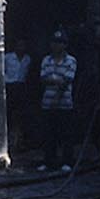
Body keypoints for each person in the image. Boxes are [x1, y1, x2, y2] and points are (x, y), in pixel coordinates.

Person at [36, 30, 79, 172]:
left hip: (65, 103)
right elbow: (43, 78)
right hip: (47, 103)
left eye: (60, 43)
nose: (56, 45)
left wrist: (54, 84)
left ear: (65, 45)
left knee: (66, 133)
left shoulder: (71, 60)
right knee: (49, 134)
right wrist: (56, 80)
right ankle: (49, 161)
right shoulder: (46, 60)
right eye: (54, 42)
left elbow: (66, 80)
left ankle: (67, 161)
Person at [2, 36, 32, 152]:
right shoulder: (8, 57)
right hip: (10, 86)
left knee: (20, 115)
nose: (21, 48)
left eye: (23, 46)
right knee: (9, 114)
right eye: (19, 45)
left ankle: (19, 141)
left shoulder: (27, 59)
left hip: (21, 87)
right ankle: (8, 142)